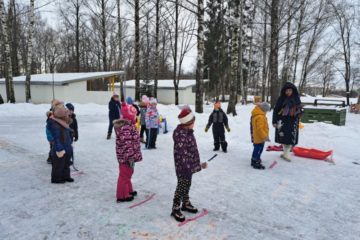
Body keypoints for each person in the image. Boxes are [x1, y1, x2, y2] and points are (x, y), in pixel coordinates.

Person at [171, 106, 208, 222]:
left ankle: (185, 203)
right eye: (193, 122)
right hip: (183, 168)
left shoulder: (188, 132)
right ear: (188, 123)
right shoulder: (181, 135)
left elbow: (191, 152)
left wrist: (198, 164)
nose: (194, 124)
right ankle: (175, 208)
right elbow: (183, 156)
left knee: (187, 185)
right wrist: (193, 166)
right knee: (181, 187)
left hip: (189, 167)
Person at [114, 102, 142, 202]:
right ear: (129, 116)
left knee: (128, 173)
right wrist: (130, 157)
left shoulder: (130, 125)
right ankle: (122, 195)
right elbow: (127, 145)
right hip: (126, 157)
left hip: (129, 156)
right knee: (124, 175)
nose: (136, 117)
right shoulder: (126, 128)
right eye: (134, 115)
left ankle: (128, 190)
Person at [272, 82, 303, 162]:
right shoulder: (281, 98)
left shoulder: (296, 98)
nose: (288, 92)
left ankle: (286, 153)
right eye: (286, 91)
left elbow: (299, 108)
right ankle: (285, 152)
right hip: (282, 120)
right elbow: (276, 110)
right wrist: (274, 121)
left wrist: (299, 112)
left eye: (290, 90)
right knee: (282, 137)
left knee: (290, 137)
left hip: (292, 121)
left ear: (293, 91)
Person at [47, 101, 74, 184]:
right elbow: (56, 137)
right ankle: (56, 178)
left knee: (66, 163)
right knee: (59, 163)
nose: (66, 111)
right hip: (60, 146)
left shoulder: (63, 121)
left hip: (67, 144)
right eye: (63, 109)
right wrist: (59, 149)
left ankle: (66, 176)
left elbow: (66, 132)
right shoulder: (53, 122)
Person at [250, 102, 271, 170]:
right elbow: (260, 129)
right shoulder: (260, 117)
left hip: (258, 136)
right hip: (260, 137)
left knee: (258, 148)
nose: (267, 112)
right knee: (258, 149)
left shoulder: (258, 114)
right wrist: (265, 136)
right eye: (266, 111)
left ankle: (257, 158)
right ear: (264, 109)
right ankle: (254, 161)